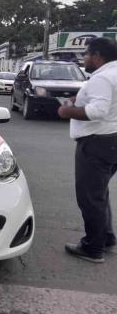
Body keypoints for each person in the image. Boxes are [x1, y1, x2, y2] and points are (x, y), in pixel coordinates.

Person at [58, 37, 117, 263]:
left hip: (97, 142)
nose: (84, 57)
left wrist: (67, 112)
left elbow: (98, 110)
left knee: (90, 197)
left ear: (98, 56)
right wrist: (78, 98)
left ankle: (93, 248)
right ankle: (106, 237)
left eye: (86, 53)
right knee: (99, 192)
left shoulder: (103, 77)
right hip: (111, 139)